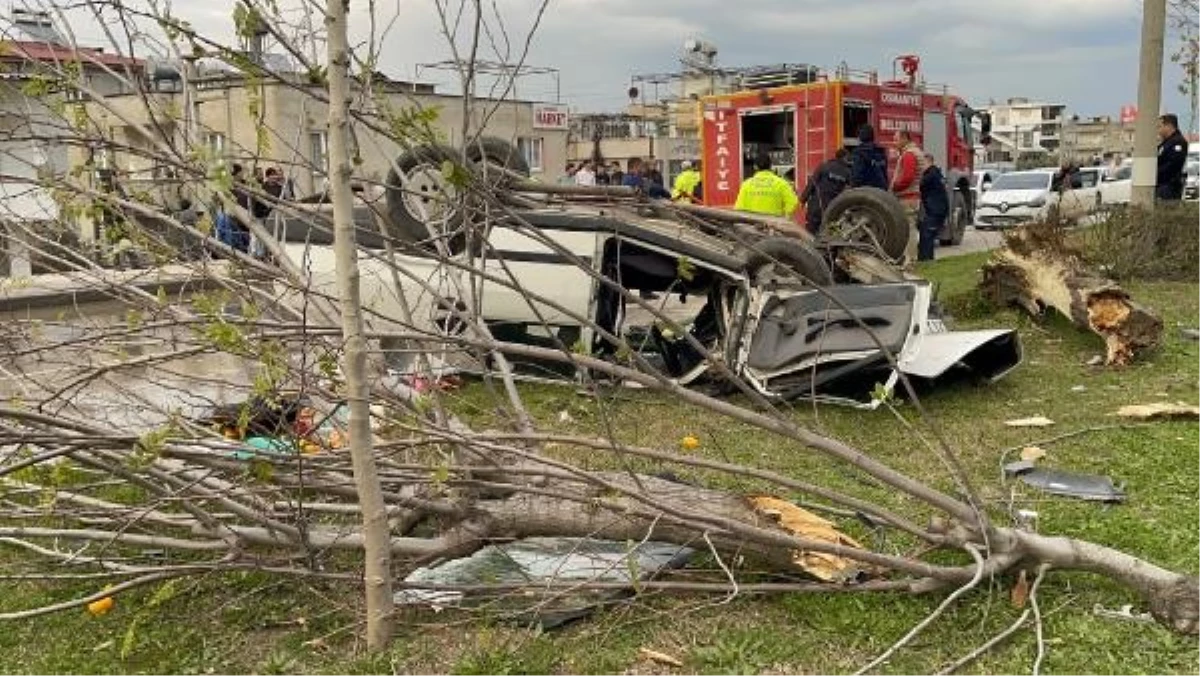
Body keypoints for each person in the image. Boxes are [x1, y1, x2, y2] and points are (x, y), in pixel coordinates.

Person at [890, 131, 928, 263]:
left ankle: (910, 259)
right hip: (913, 196)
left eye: (896, 140)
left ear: (905, 139)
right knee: (910, 227)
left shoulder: (909, 155)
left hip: (907, 197)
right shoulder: (915, 152)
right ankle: (910, 258)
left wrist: (895, 186)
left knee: (908, 228)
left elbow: (907, 178)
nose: (893, 143)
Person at [800, 147, 852, 234]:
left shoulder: (824, 166)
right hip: (833, 208)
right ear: (845, 157)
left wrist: (803, 199)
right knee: (830, 233)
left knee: (810, 233)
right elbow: (849, 191)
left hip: (816, 206)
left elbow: (812, 183)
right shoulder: (847, 172)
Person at [734, 150, 799, 218]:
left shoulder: (746, 185)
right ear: (770, 166)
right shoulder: (781, 183)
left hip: (752, 226)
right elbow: (793, 204)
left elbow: (739, 209)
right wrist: (785, 217)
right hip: (775, 226)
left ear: (755, 167)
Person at [918, 152, 949, 262]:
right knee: (928, 234)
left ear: (928, 162)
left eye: (922, 163)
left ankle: (926, 259)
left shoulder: (930, 175)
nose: (920, 166)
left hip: (934, 209)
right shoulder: (937, 173)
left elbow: (919, 185)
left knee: (927, 234)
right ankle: (927, 258)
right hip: (939, 208)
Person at [1157, 113, 1189, 201]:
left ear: (1169, 126)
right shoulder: (1166, 143)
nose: (1158, 130)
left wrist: (1156, 173)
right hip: (1161, 185)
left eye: (1160, 126)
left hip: (1169, 186)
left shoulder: (1178, 142)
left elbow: (1173, 164)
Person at [850, 124, 888, 190]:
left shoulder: (859, 152)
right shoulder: (881, 152)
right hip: (881, 191)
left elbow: (857, 175)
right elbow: (884, 172)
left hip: (866, 191)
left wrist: (853, 188)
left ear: (860, 137)